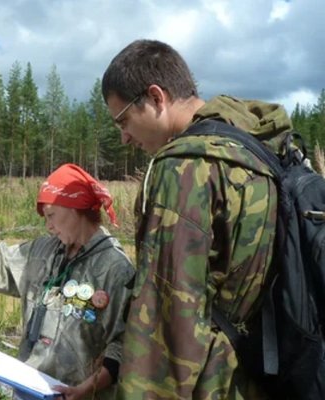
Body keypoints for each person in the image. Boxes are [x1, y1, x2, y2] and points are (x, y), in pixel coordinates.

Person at [101, 39, 287, 399]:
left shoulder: (183, 169)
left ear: (156, 97)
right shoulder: (258, 145)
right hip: (268, 368)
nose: (123, 137)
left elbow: (167, 319)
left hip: (214, 380)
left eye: (123, 120)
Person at [0, 163, 135, 400]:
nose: (49, 226)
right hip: (30, 389)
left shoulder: (115, 269)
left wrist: (87, 388)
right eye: (46, 218)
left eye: (52, 215)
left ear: (75, 207)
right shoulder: (45, 251)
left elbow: (125, 345)